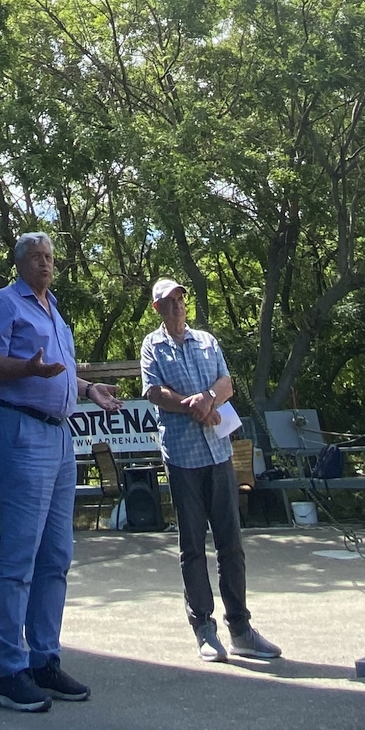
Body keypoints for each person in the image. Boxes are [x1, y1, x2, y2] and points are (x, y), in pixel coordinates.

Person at [0, 231, 120, 713]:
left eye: (50, 258)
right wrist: (27, 371)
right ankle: (11, 670)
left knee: (57, 553)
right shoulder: (6, 302)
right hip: (22, 431)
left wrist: (89, 389)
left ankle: (44, 659)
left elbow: (55, 369)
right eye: (36, 257)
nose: (45, 264)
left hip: (61, 436)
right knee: (21, 552)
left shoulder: (53, 308)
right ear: (19, 263)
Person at [140, 278, 281, 664]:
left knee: (231, 544)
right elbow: (153, 391)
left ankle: (241, 628)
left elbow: (227, 383)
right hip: (182, 457)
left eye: (180, 301)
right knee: (192, 547)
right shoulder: (152, 346)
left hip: (218, 453)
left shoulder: (207, 340)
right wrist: (192, 406)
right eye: (169, 303)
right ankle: (204, 628)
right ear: (157, 309)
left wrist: (209, 398)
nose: (177, 307)